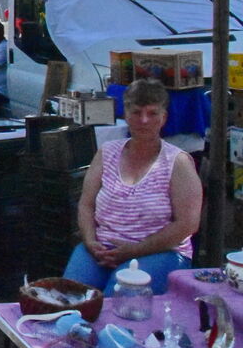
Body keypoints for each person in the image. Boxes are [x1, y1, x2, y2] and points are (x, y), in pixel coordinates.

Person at [62, 79, 201, 294]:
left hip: (160, 252)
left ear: (164, 117)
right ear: (126, 115)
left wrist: (133, 251)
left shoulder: (178, 163)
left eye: (152, 113)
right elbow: (86, 205)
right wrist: (90, 241)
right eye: (136, 112)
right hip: (102, 248)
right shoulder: (107, 152)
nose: (144, 120)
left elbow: (187, 224)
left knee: (116, 301)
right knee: (69, 298)